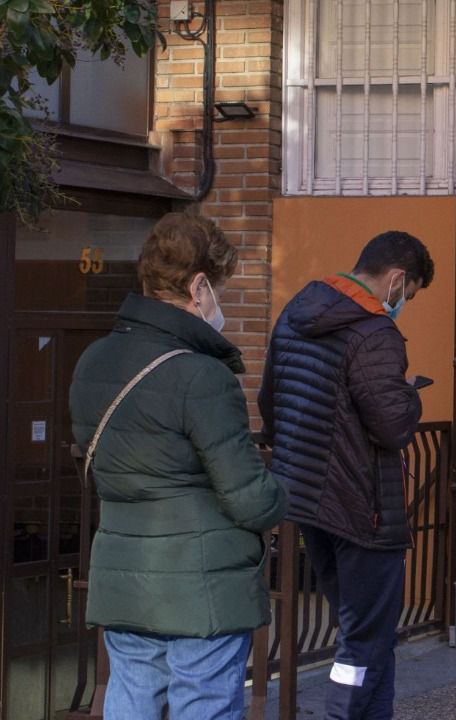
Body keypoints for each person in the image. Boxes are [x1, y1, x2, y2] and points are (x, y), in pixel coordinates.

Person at [69, 210, 288, 720]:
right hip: (202, 588)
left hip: (124, 578)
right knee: (204, 704)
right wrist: (282, 494)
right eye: (221, 289)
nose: (221, 302)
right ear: (199, 286)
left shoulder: (93, 361)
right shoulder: (202, 376)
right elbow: (248, 496)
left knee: (130, 699)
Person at [258, 231, 432, 719]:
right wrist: (411, 394)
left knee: (367, 632)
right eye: (409, 295)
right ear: (396, 279)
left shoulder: (296, 312)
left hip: (308, 500)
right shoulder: (374, 333)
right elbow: (393, 424)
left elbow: (269, 404)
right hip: (364, 508)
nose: (404, 305)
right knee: (362, 639)